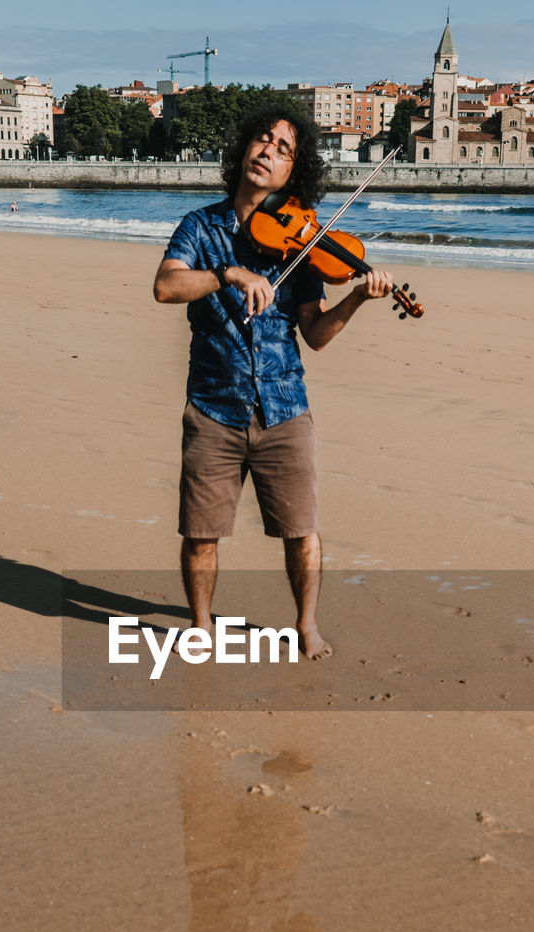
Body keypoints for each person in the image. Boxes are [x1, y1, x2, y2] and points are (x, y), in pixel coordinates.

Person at [153, 107, 393, 659]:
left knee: (301, 531)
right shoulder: (201, 226)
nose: (268, 152)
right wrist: (228, 274)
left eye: (284, 150)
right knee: (201, 531)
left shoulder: (304, 244)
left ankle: (305, 626)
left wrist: (356, 297)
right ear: (242, 151)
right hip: (214, 405)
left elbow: (316, 333)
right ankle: (200, 625)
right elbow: (166, 287)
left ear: (293, 175)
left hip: (285, 405)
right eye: (262, 141)